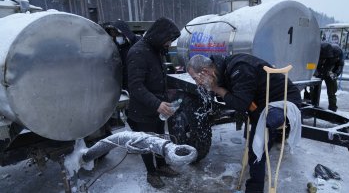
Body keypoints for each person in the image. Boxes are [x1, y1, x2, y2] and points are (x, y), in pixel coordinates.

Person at [186, 53, 302, 193]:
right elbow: (234, 97)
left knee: (257, 146)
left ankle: (254, 189)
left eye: (195, 79)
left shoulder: (240, 68)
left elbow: (240, 103)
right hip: (261, 103)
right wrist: (219, 88)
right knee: (257, 142)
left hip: (283, 101)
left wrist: (217, 89)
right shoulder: (222, 70)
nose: (197, 83)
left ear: (205, 71)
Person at [126, 17, 181, 189]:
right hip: (143, 109)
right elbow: (135, 86)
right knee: (146, 143)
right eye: (168, 39)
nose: (169, 43)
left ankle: (162, 166)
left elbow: (159, 77)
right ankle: (151, 172)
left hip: (158, 106)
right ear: (159, 35)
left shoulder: (156, 49)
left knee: (159, 138)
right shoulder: (138, 52)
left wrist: (166, 99)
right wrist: (157, 103)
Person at [102, 19, 141, 90]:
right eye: (113, 35)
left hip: (137, 81)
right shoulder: (114, 46)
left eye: (117, 34)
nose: (116, 37)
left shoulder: (137, 42)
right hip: (123, 82)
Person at [312, 42, 344, 112]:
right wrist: (314, 71)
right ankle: (313, 104)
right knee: (314, 89)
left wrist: (335, 74)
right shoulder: (318, 50)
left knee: (332, 91)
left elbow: (340, 65)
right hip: (320, 70)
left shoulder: (337, 51)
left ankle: (332, 108)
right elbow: (311, 63)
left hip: (330, 72)